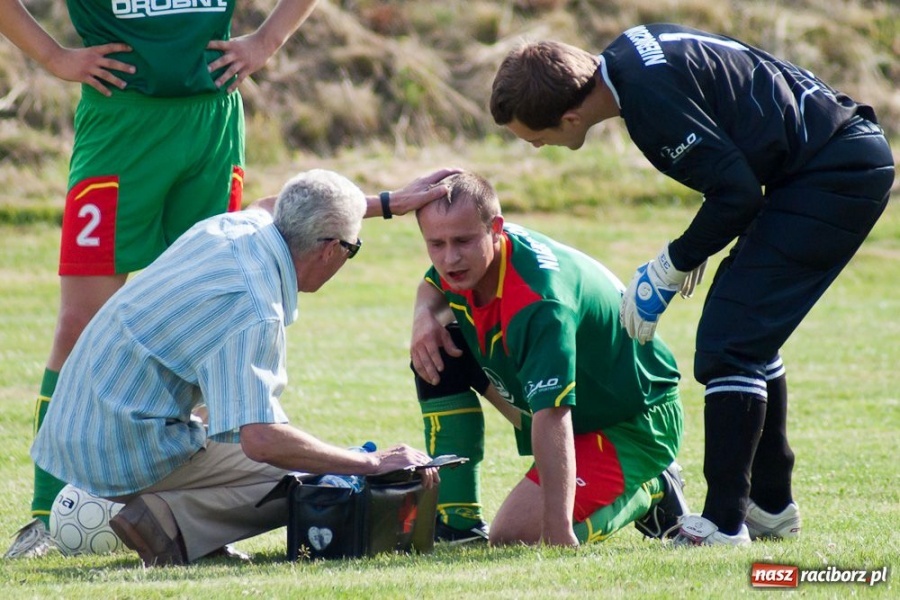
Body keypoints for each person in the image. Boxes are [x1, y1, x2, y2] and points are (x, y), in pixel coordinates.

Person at [489, 25, 895, 545]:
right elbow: (736, 162)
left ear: (570, 117)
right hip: (828, 158)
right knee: (745, 331)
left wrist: (671, 263)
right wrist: (698, 240)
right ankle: (769, 507)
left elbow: (737, 192)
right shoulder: (630, 52)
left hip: (833, 171)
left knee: (729, 345)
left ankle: (725, 524)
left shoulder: (645, 103)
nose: (540, 146)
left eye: (536, 137)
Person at [0, 0, 322, 557]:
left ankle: (186, 514)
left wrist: (266, 41)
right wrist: (53, 56)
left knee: (206, 320)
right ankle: (45, 518)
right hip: (119, 124)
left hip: (210, 125)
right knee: (80, 322)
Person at [28, 168, 453, 567]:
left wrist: (387, 202)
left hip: (79, 417)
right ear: (329, 250)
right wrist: (370, 464)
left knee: (260, 429)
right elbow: (262, 441)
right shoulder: (255, 309)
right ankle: (168, 522)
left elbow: (273, 202)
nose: (348, 257)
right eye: (351, 248)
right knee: (315, 476)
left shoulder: (240, 226)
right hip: (118, 444)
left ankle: (175, 520)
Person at [410, 171, 688, 546]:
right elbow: (433, 282)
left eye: (462, 241)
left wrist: (557, 532)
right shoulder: (475, 258)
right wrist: (423, 314)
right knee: (435, 345)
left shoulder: (540, 303)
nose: (450, 257)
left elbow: (552, 415)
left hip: (634, 420)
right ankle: (458, 523)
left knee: (514, 537)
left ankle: (654, 488)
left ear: (496, 229)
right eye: (436, 244)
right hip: (577, 406)